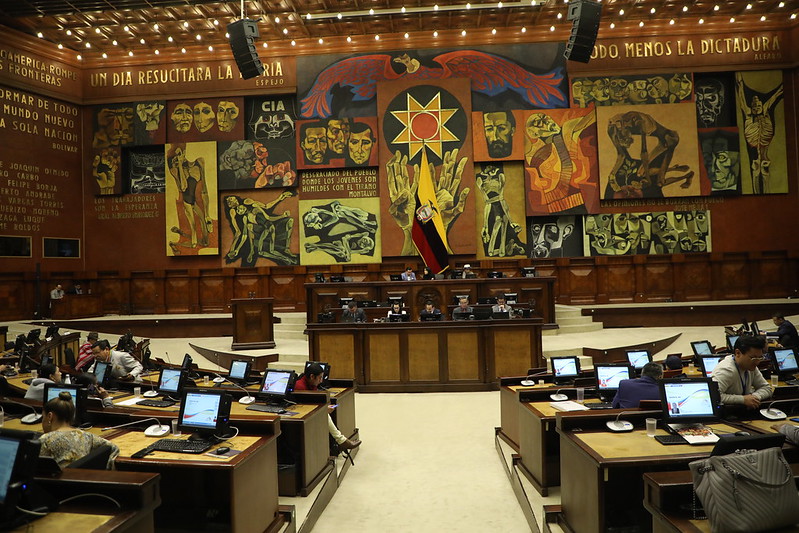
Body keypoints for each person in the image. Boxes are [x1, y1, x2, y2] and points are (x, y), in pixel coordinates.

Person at [39, 391, 119, 468]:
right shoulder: (87, 436)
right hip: (82, 479)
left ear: (50, 416)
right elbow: (113, 448)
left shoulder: (45, 440)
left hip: (55, 481)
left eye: (43, 417)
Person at [293, 363, 361, 450]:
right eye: (320, 377)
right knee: (325, 415)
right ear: (312, 376)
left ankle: (339, 442)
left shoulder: (310, 383)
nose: (321, 381)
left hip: (309, 413)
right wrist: (323, 410)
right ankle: (341, 441)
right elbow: (306, 407)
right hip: (302, 418)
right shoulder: (300, 387)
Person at [711, 335, 772, 410]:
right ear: (738, 353)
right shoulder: (726, 370)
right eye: (753, 358)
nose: (757, 362)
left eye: (760, 357)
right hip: (727, 413)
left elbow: (766, 388)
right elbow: (713, 396)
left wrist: (755, 397)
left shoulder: (751, 367)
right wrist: (742, 399)